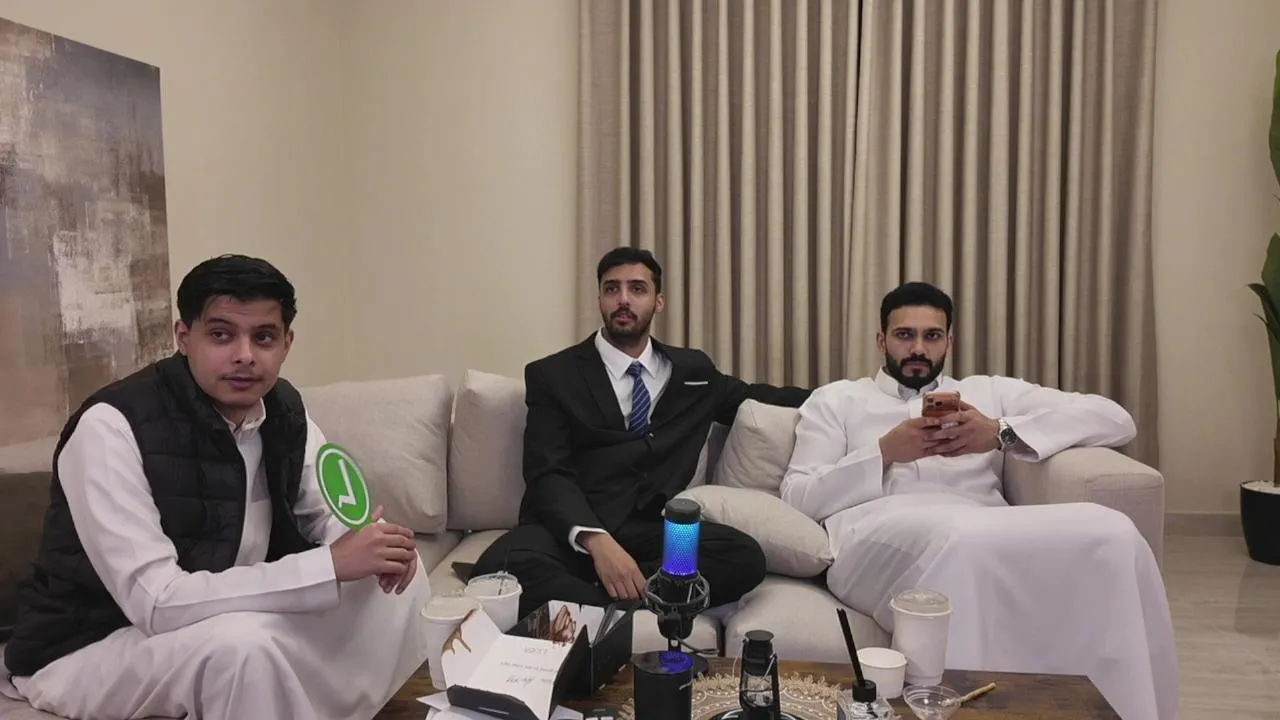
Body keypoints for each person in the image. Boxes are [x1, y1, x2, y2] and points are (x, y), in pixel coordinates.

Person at [2, 255, 432, 720]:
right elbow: (157, 602)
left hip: (225, 610)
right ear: (183, 336)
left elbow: (323, 514)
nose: (245, 355)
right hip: (90, 643)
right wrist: (328, 565)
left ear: (286, 343)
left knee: (401, 583)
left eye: (263, 337)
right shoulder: (110, 427)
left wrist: (372, 545)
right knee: (242, 650)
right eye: (222, 335)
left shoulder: (283, 409)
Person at [780, 282, 1177, 720]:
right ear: (881, 340)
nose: (918, 348)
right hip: (873, 536)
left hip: (983, 522)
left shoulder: (988, 392)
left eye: (932, 336)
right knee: (962, 540)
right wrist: (885, 452)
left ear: (949, 342)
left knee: (1114, 532)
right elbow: (798, 496)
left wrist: (1001, 432)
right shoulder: (837, 399)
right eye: (904, 335)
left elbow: (1116, 419)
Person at [471, 247, 811, 621]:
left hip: (651, 531)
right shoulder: (553, 375)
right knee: (497, 571)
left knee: (742, 556)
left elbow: (756, 396)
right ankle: (636, 599)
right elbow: (547, 473)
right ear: (600, 299)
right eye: (611, 289)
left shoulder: (693, 372)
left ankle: (600, 600)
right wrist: (597, 542)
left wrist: (847, 394)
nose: (623, 299)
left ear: (658, 301)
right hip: (569, 532)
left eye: (637, 288)